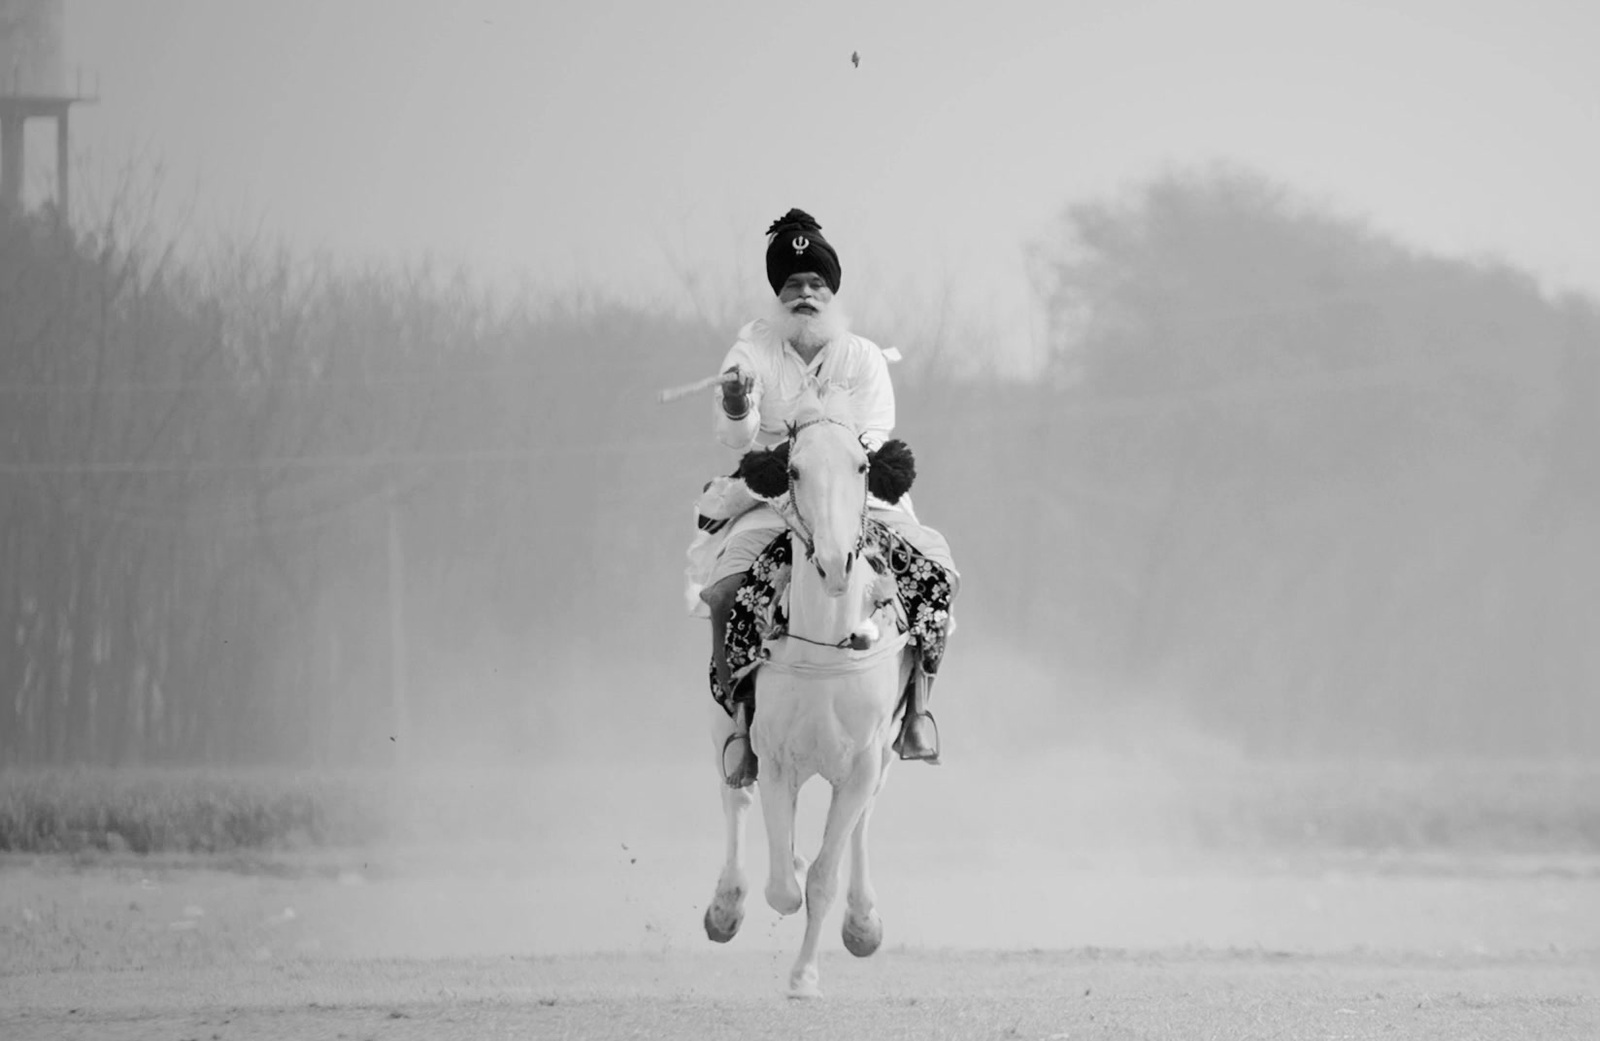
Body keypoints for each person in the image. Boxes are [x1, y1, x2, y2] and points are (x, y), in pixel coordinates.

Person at [685, 208, 959, 788]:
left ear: (832, 293)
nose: (804, 295)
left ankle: (915, 714)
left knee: (935, 572)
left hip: (853, 494)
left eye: (816, 285)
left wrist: (827, 459)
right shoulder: (749, 353)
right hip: (770, 494)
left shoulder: (860, 355)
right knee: (727, 587)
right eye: (792, 286)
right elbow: (734, 436)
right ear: (777, 296)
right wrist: (738, 403)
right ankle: (741, 721)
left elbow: (877, 433)